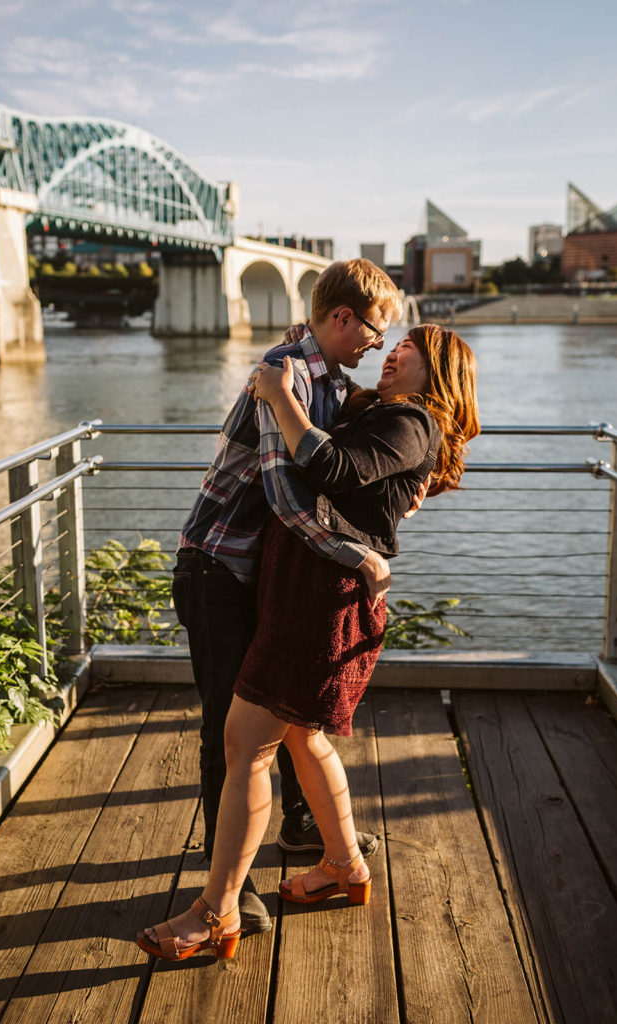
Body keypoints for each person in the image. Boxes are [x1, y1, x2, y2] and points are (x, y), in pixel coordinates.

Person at [136, 323, 481, 961]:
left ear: (437, 371)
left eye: (408, 347)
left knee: (246, 746)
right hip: (303, 592)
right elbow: (329, 375)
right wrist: (303, 349)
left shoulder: (412, 426)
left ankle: (215, 912)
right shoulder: (381, 411)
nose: (392, 351)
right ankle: (345, 866)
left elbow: (327, 463)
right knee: (299, 735)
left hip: (321, 603)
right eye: (391, 340)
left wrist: (275, 392)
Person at [169, 260, 404, 935]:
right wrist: (352, 553)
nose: (376, 344)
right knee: (232, 729)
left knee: (278, 709)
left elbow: (345, 469)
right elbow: (283, 492)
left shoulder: (328, 382)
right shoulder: (287, 372)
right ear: (341, 319)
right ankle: (230, 890)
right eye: (373, 330)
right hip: (217, 565)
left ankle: (301, 830)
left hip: (258, 575)